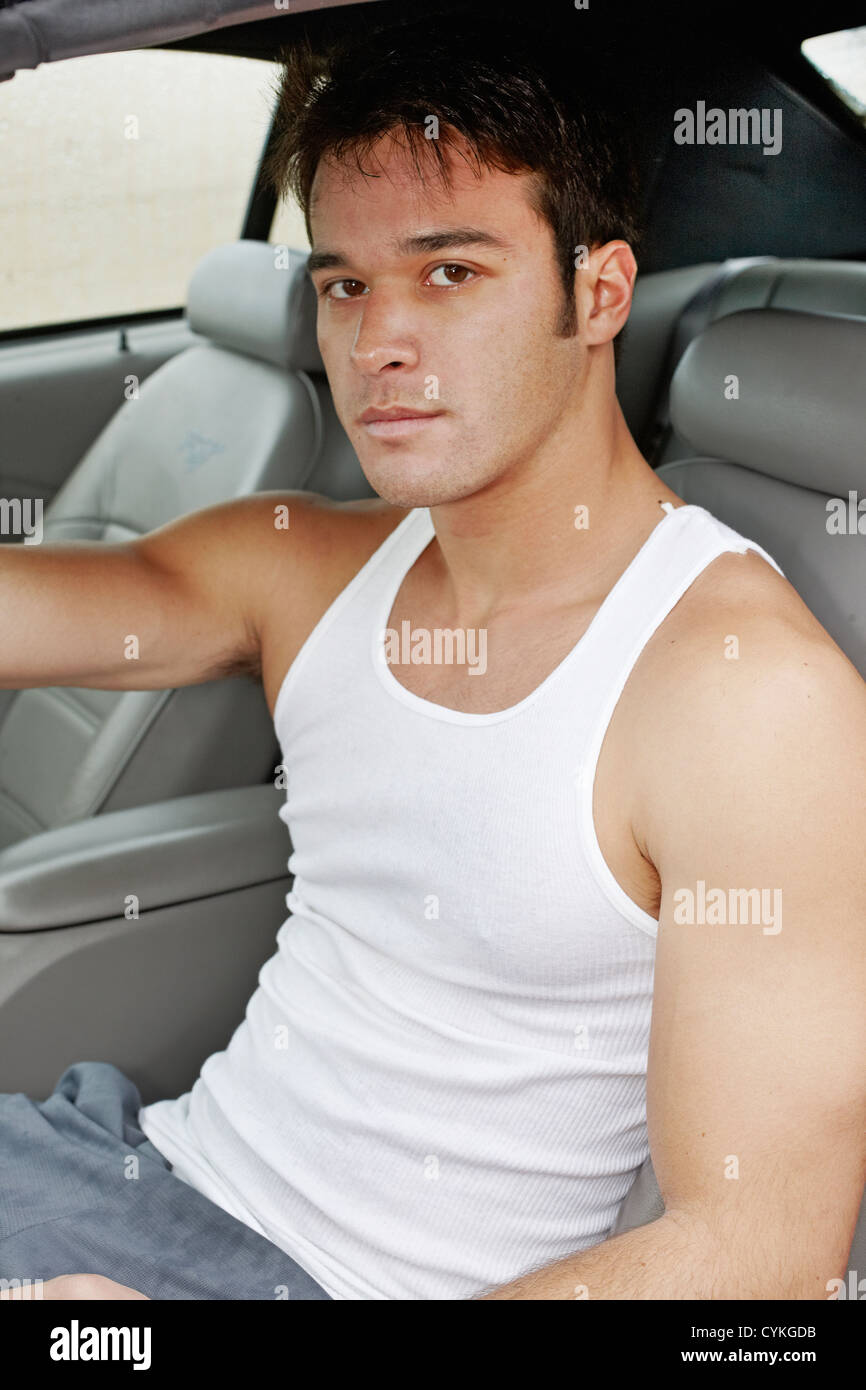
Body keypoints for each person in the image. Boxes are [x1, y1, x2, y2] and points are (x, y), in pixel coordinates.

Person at [2, 15, 866, 1301]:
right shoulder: (309, 566)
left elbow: (754, 1252)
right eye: (346, 284)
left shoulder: (746, 697)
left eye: (449, 272)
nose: (376, 344)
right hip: (119, 1168)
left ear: (598, 291)